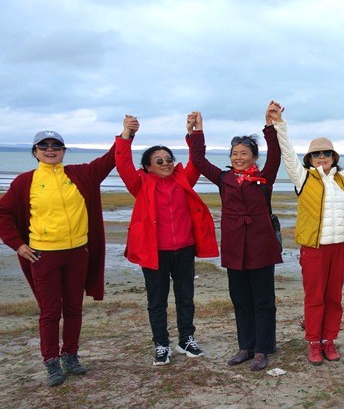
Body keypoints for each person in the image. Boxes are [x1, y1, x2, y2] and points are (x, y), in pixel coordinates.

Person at [0, 119, 131, 386]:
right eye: (44, 145)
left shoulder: (80, 174)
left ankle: (70, 355)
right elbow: (3, 213)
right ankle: (51, 362)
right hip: (43, 255)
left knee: (73, 308)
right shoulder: (26, 181)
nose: (50, 149)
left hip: (77, 253)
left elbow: (110, 160)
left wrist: (126, 134)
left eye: (56, 145)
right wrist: (17, 244)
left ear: (63, 150)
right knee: (50, 311)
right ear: (35, 151)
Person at [274, 103, 344, 365]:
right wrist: (279, 124)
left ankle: (329, 340)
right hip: (314, 249)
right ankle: (313, 342)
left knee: (334, 297)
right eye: (316, 154)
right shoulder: (303, 179)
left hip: (340, 247)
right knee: (315, 298)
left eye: (326, 154)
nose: (322, 158)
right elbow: (287, 154)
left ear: (334, 157)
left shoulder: (343, 179)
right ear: (309, 159)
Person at [188, 103, 283, 372]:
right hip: (234, 249)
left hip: (261, 248)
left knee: (264, 301)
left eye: (244, 153)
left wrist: (270, 126)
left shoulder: (265, 177)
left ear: (254, 157)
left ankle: (263, 349)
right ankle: (246, 346)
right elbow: (198, 162)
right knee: (240, 299)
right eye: (235, 153)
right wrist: (198, 132)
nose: (239, 157)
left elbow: (275, 154)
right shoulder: (223, 178)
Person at [115, 120, 218, 366]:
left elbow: (197, 161)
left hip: (184, 249)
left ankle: (186, 339)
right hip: (154, 253)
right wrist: (127, 135)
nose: (166, 163)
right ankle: (161, 344)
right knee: (157, 301)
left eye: (169, 159)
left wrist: (196, 134)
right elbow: (122, 163)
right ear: (148, 166)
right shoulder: (140, 184)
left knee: (186, 298)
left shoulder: (183, 180)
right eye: (159, 161)